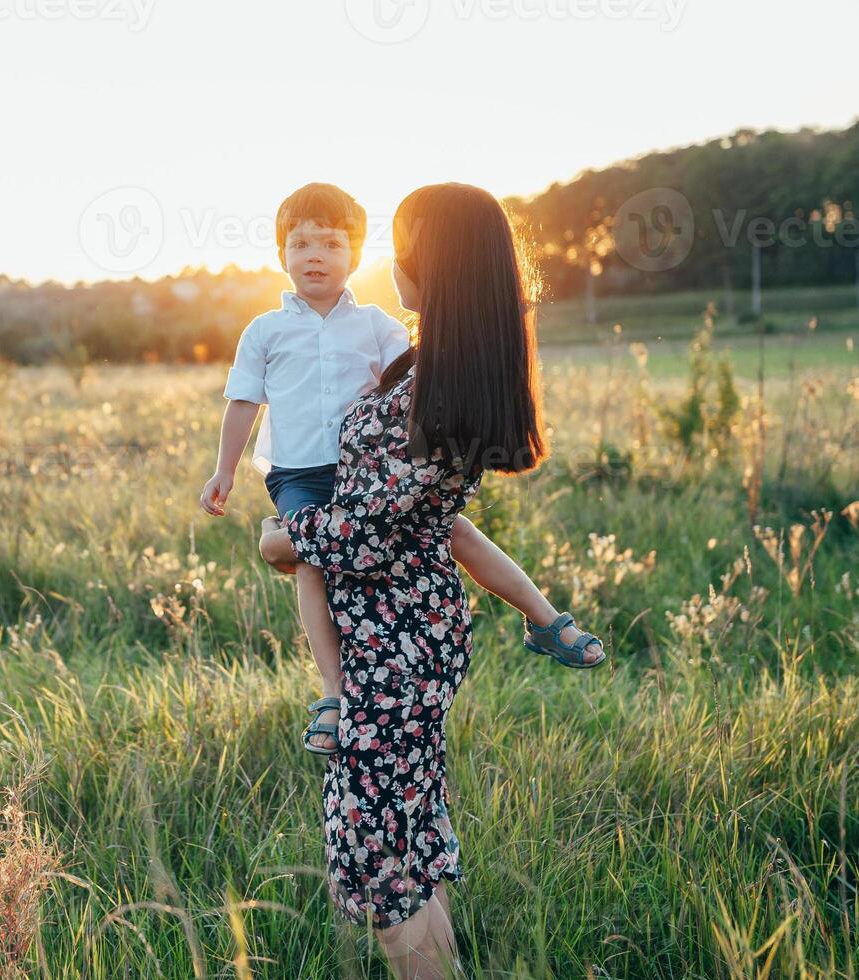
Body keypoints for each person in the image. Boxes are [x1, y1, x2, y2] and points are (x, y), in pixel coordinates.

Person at [258, 183, 606, 978]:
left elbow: (365, 532)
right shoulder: (430, 366)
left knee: (376, 849)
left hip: (394, 642)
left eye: (404, 241)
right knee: (404, 827)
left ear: (434, 262)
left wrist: (283, 539)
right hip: (406, 630)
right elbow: (427, 521)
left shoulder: (437, 394)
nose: (392, 259)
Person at [199, 182, 602, 762]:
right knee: (313, 568)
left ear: (358, 257)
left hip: (364, 474)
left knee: (452, 528)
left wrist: (278, 541)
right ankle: (333, 695)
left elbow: (417, 380)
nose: (315, 255)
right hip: (298, 474)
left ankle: (543, 616)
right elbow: (243, 400)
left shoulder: (377, 326)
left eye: (331, 243)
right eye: (301, 243)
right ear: (280, 254)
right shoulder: (264, 330)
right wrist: (225, 471)